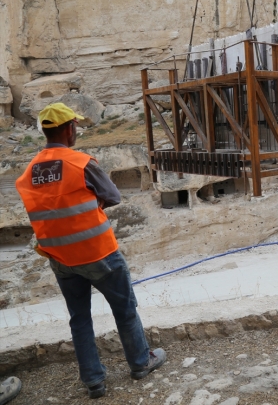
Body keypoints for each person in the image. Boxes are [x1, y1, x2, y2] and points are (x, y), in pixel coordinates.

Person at [15, 103, 166, 399]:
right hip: (99, 254)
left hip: (60, 259)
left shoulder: (29, 173)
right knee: (124, 311)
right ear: (69, 128)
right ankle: (139, 363)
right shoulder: (80, 162)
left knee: (79, 318)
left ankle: (94, 381)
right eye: (76, 126)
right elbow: (112, 195)